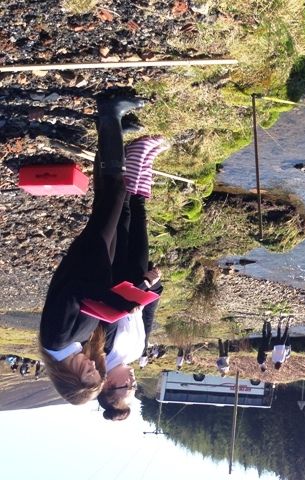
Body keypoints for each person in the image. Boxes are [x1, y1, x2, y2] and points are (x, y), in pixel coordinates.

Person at [39, 92, 146, 405]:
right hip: (97, 262)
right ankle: (109, 128)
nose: (92, 366)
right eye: (96, 371)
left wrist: (113, 301)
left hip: (88, 256)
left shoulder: (57, 340)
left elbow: (73, 293)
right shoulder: (70, 347)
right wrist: (116, 305)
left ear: (69, 379)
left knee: (116, 192)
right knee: (107, 196)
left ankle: (109, 113)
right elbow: (86, 305)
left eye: (87, 372)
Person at [96, 135, 167, 421]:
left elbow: (110, 309)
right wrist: (154, 287)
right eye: (134, 388)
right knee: (139, 216)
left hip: (118, 276)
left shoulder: (103, 352)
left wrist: (143, 286)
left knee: (124, 215)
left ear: (108, 385)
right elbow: (147, 314)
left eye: (128, 387)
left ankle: (132, 154)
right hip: (140, 282)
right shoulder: (136, 353)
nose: (134, 383)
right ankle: (144, 159)